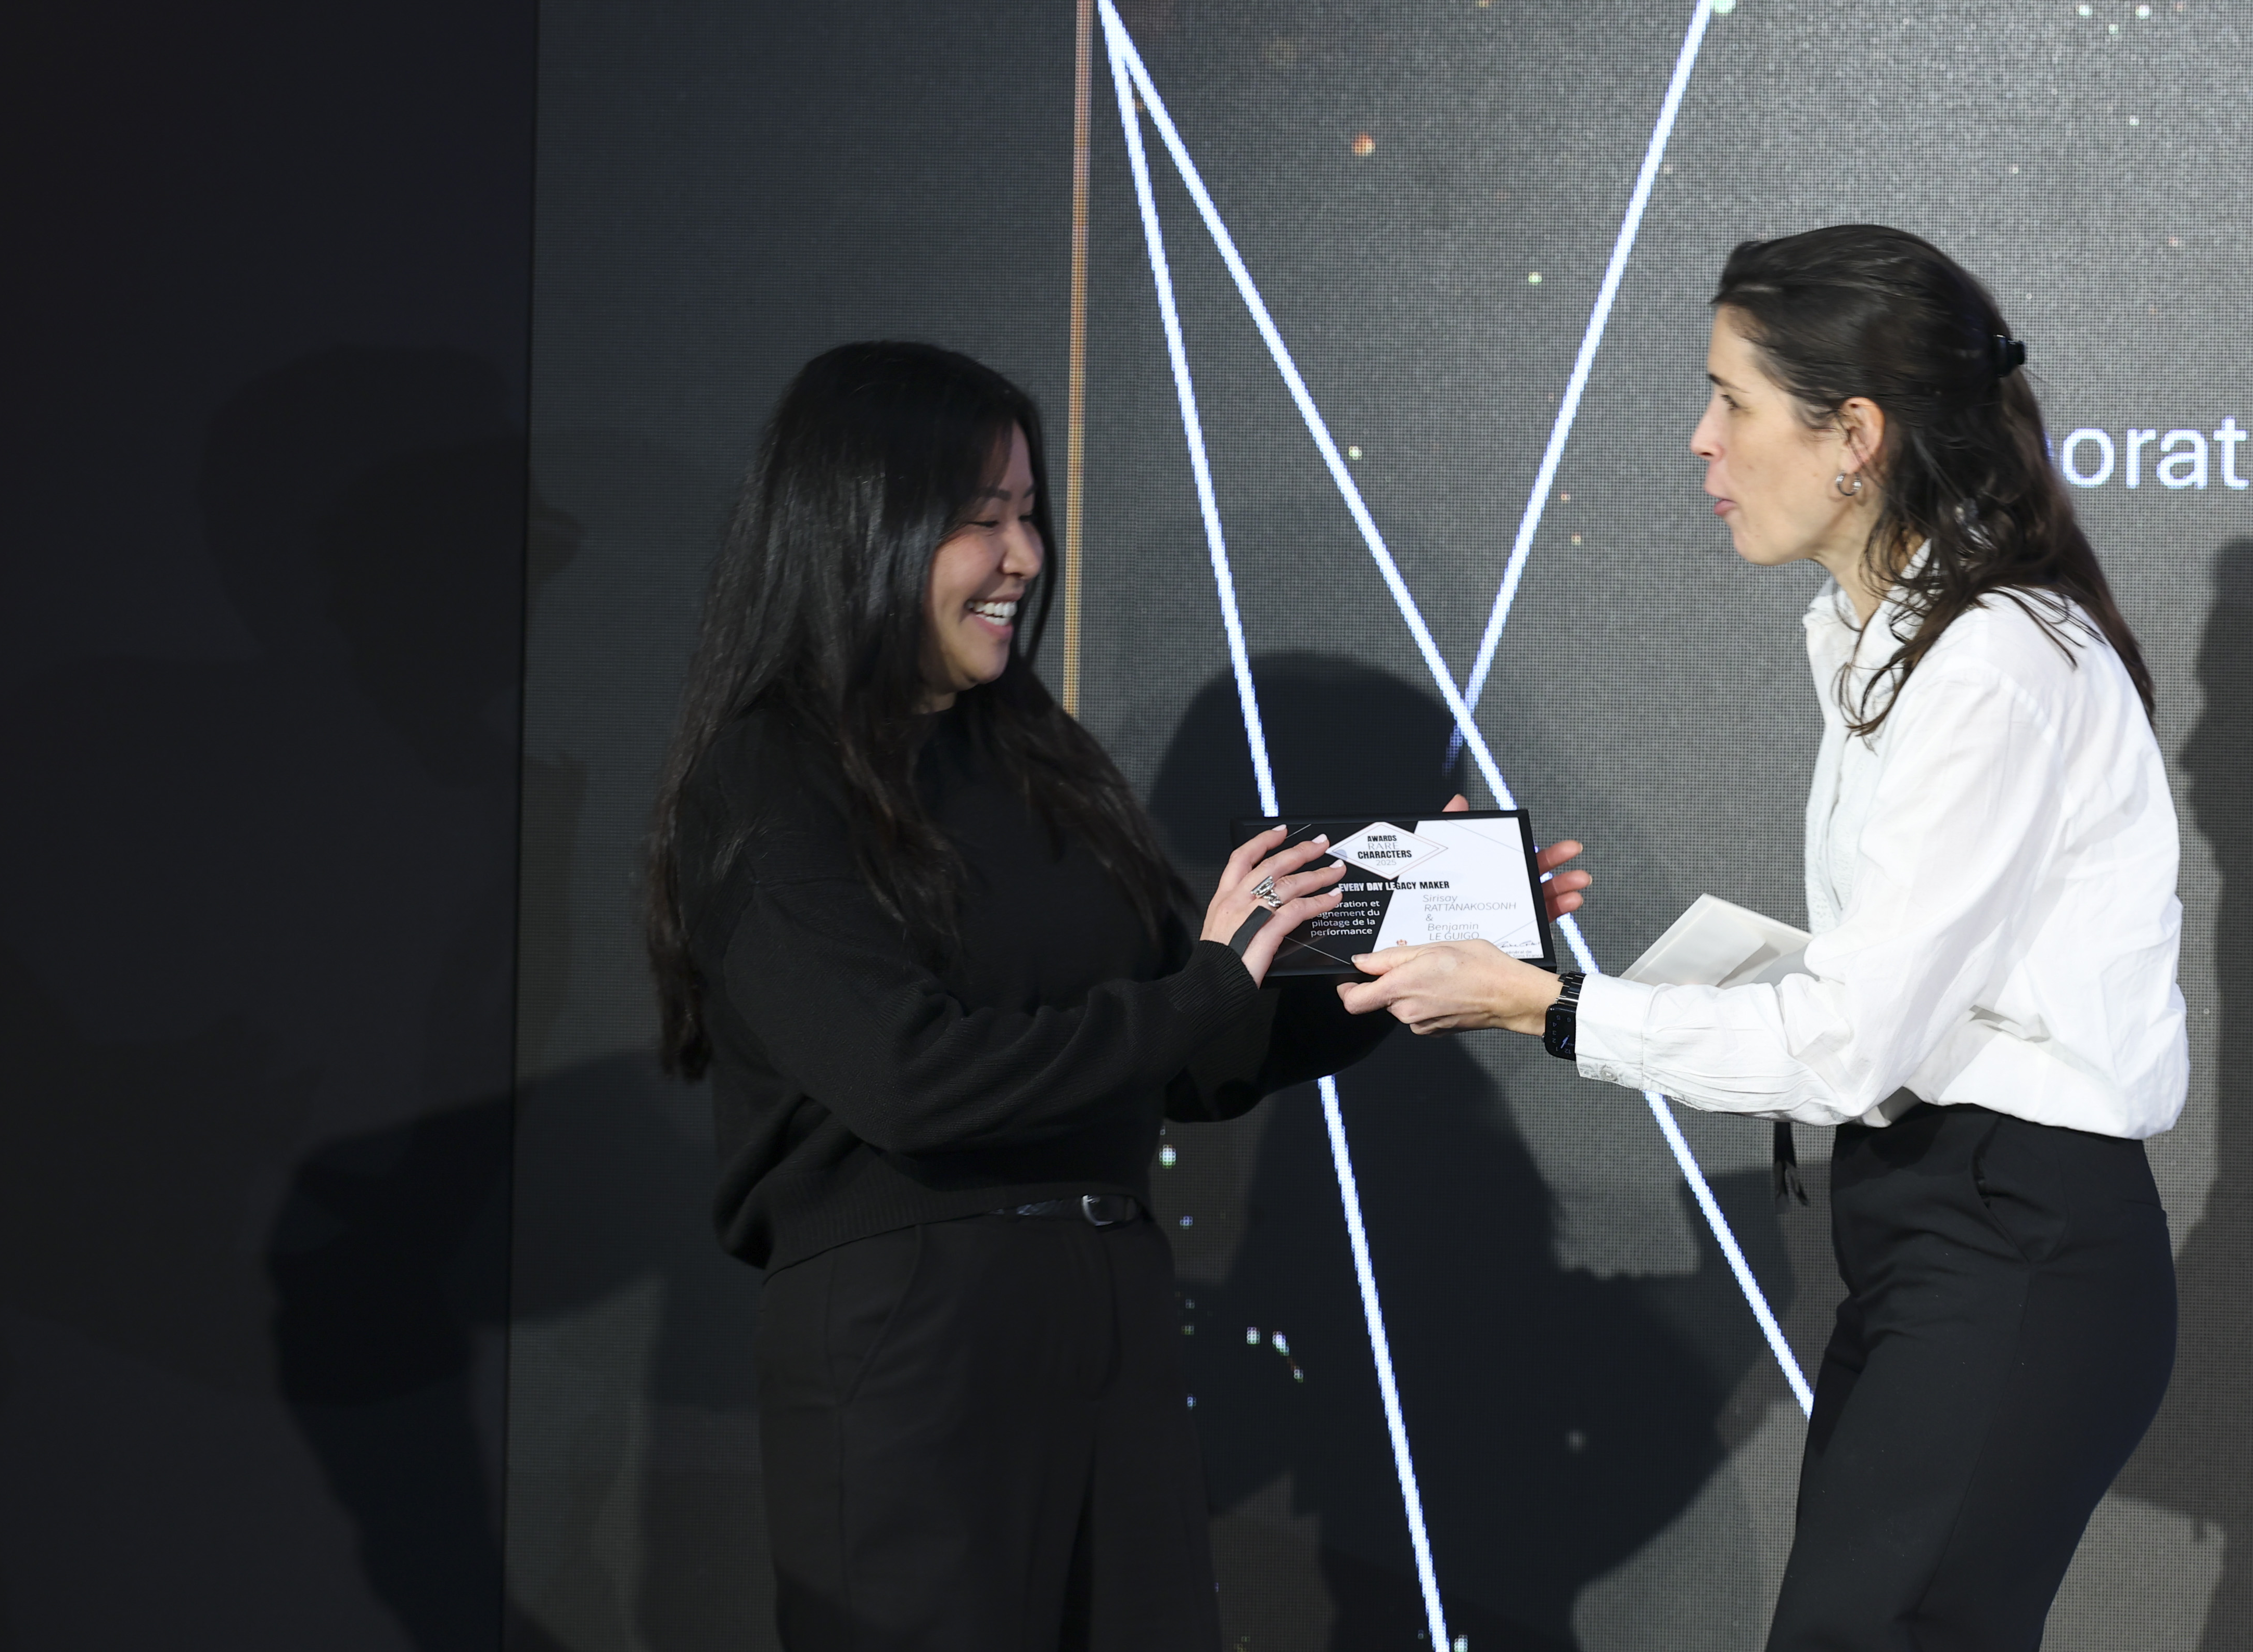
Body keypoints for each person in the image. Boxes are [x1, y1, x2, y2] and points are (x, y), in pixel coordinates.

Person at [641, 340, 1585, 1651]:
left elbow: (1187, 1054)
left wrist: (1424, 945)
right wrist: (1211, 977)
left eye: (1029, 513)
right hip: (909, 1330)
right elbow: (911, 1077)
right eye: (982, 519)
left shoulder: (1037, 759)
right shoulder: (765, 780)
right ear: (860, 525)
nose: (1024, 557)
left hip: (1107, 1312)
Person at [1341, 227, 2187, 1651]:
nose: (1702, 439)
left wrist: (1550, 1007)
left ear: (1854, 436)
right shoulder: (1885, 639)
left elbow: (1851, 1044)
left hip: (2010, 1245)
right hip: (1938, 1234)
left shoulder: (1987, 662)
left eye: (1732, 400)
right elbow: (1902, 990)